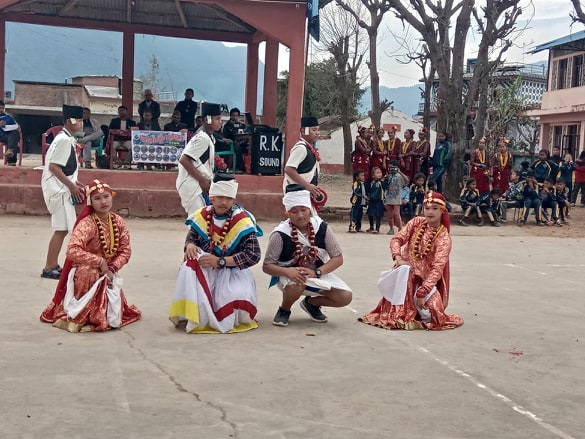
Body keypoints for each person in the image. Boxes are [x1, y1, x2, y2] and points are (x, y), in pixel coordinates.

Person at [40, 179, 141, 332]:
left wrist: (112, 268)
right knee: (90, 272)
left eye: (106, 196)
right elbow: (72, 250)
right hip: (85, 271)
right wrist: (99, 261)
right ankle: (86, 314)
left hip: (109, 271)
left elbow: (125, 250)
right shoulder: (87, 223)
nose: (103, 202)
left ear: (112, 197)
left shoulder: (118, 221)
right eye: (97, 198)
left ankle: (103, 312)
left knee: (105, 277)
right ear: (90, 202)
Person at [169, 174, 263, 334]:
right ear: (211, 197)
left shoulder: (242, 221)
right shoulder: (202, 216)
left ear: (233, 200)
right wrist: (190, 245)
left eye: (228, 198)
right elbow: (191, 238)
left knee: (231, 295)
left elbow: (253, 255)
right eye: (219, 197)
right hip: (207, 268)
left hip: (233, 271)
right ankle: (194, 316)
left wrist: (220, 261)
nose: (224, 202)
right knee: (188, 264)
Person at [359, 191, 463, 330]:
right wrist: (398, 257)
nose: (430, 212)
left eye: (435, 208)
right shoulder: (416, 223)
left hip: (424, 283)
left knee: (435, 314)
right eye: (427, 208)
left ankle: (416, 307)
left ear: (443, 211)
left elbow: (437, 268)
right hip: (405, 277)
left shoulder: (443, 238)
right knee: (405, 271)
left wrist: (423, 291)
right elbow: (397, 239)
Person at [263, 185, 352, 327]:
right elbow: (267, 266)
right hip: (289, 276)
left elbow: (338, 258)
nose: (300, 215)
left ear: (309, 209)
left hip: (317, 273)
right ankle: (284, 310)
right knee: (297, 283)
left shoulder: (321, 227)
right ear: (287, 213)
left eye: (303, 210)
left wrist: (317, 272)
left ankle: (311, 304)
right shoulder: (280, 234)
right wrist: (287, 271)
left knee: (344, 297)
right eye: (294, 211)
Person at [41, 105, 86, 280]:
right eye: (79, 120)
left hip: (62, 187)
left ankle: (53, 263)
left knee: (63, 228)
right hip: (58, 190)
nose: (82, 123)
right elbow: (54, 167)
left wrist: (75, 182)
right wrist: (71, 186)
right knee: (61, 229)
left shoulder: (66, 139)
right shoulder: (64, 140)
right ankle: (49, 266)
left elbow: (64, 167)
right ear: (69, 121)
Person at [176, 102, 223, 216]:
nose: (220, 122)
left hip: (199, 184)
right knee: (197, 222)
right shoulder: (202, 138)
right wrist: (201, 179)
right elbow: (184, 160)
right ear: (208, 120)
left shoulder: (209, 137)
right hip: (192, 184)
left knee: (203, 222)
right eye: (217, 119)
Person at [283, 116, 322, 212]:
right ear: (304, 131)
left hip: (304, 192)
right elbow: (288, 169)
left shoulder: (309, 148)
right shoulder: (301, 148)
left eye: (318, 130)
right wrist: (307, 185)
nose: (317, 133)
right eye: (314, 130)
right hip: (297, 192)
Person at [382, 161, 408, 235]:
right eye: (390, 167)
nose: (391, 169)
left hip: (396, 199)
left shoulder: (399, 177)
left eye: (393, 167)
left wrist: (400, 172)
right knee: (389, 215)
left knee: (396, 214)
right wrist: (385, 179)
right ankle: (391, 229)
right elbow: (384, 187)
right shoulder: (389, 176)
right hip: (389, 198)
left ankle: (400, 228)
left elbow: (406, 181)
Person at [108, 105, 137, 169]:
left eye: (123, 111)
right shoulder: (114, 121)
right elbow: (109, 131)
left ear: (126, 112)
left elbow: (135, 133)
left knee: (133, 147)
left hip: (127, 141)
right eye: (120, 111)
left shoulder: (132, 122)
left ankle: (127, 163)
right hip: (116, 140)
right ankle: (118, 162)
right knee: (111, 147)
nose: (121, 112)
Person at [221, 107, 248, 174]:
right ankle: (237, 167)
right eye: (233, 115)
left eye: (236, 116)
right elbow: (225, 136)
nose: (235, 117)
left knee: (249, 148)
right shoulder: (227, 125)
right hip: (230, 144)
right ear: (230, 116)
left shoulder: (242, 125)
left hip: (242, 142)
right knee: (238, 149)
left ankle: (248, 167)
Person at [0, 100, 20, 166]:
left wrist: (18, 127)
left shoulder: (8, 117)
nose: (1, 110)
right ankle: (12, 160)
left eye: (2, 108)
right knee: (13, 138)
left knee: (15, 133)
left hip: (7, 136)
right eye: (0, 108)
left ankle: (10, 151)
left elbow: (15, 125)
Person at [366, 167, 385, 234]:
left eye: (380, 173)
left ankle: (377, 228)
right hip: (372, 202)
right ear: (373, 175)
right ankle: (371, 226)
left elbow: (376, 193)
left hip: (378, 201)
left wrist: (369, 197)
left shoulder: (380, 183)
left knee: (378, 216)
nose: (379, 174)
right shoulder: (372, 183)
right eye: (377, 173)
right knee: (370, 214)